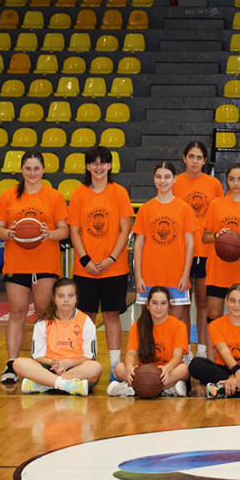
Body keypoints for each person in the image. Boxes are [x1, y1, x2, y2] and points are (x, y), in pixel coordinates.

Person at [0, 151, 70, 384]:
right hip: (17, 263)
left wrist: (49, 234)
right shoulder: (8, 196)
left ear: (43, 170)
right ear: (22, 170)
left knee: (44, 314)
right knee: (17, 312)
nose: (32, 173)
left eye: (36, 169)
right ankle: (12, 363)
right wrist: (9, 233)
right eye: (28, 169)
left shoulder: (54, 197)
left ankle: (44, 362)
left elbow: (64, 230)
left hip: (45, 262)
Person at [66, 145, 133, 378]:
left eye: (103, 162)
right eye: (94, 163)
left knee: (112, 315)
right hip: (86, 268)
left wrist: (111, 258)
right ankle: (86, 365)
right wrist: (85, 260)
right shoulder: (78, 194)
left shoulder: (119, 192)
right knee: (86, 318)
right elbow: (74, 230)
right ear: (87, 166)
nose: (98, 167)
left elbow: (126, 229)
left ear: (110, 166)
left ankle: (115, 367)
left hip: (114, 266)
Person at [201, 164, 240, 339]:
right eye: (231, 179)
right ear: (226, 180)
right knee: (214, 316)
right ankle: (211, 363)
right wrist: (216, 236)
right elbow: (204, 237)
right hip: (218, 270)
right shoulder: (216, 205)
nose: (235, 183)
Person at [133, 161, 199, 328]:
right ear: (153, 179)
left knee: (175, 325)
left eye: (167, 177)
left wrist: (186, 275)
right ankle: (150, 355)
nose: (163, 181)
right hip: (149, 276)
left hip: (176, 277)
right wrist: (138, 276)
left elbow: (190, 244)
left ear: (175, 179)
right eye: (159, 177)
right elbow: (139, 244)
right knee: (149, 324)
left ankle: (179, 355)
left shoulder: (184, 208)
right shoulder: (146, 209)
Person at [173, 141, 224, 357]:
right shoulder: (174, 183)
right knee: (183, 302)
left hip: (206, 250)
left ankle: (203, 350)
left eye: (199, 157)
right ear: (184, 158)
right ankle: (184, 351)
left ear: (205, 161)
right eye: (191, 156)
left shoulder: (213, 184)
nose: (194, 161)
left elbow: (222, 214)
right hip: (181, 251)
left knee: (203, 301)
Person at [11, 278, 101, 396]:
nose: (66, 300)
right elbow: (37, 356)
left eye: (70, 296)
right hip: (49, 367)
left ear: (76, 298)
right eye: (61, 296)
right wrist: (54, 363)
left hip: (75, 369)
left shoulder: (85, 321)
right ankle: (67, 385)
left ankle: (45, 384)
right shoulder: (43, 322)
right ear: (54, 299)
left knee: (95, 367)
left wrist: (67, 364)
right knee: (18, 363)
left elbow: (90, 357)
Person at [108, 286, 190, 397]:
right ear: (147, 305)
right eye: (154, 303)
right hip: (145, 372)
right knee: (118, 368)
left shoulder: (179, 326)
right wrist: (129, 368)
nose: (159, 308)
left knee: (184, 369)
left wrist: (167, 368)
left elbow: (177, 357)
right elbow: (131, 353)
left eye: (163, 303)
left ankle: (132, 388)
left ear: (169, 305)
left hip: (168, 371)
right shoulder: (138, 326)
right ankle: (168, 388)